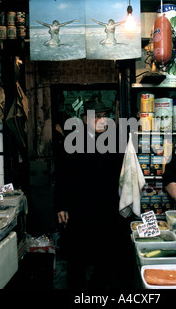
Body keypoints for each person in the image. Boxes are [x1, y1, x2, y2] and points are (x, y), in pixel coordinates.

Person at [54, 97, 135, 289]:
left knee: (105, 255)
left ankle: (98, 288)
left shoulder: (116, 141)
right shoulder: (71, 142)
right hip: (79, 208)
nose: (102, 120)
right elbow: (62, 176)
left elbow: (125, 174)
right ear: (84, 119)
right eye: (96, 116)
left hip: (107, 208)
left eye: (105, 116)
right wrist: (61, 205)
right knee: (77, 256)